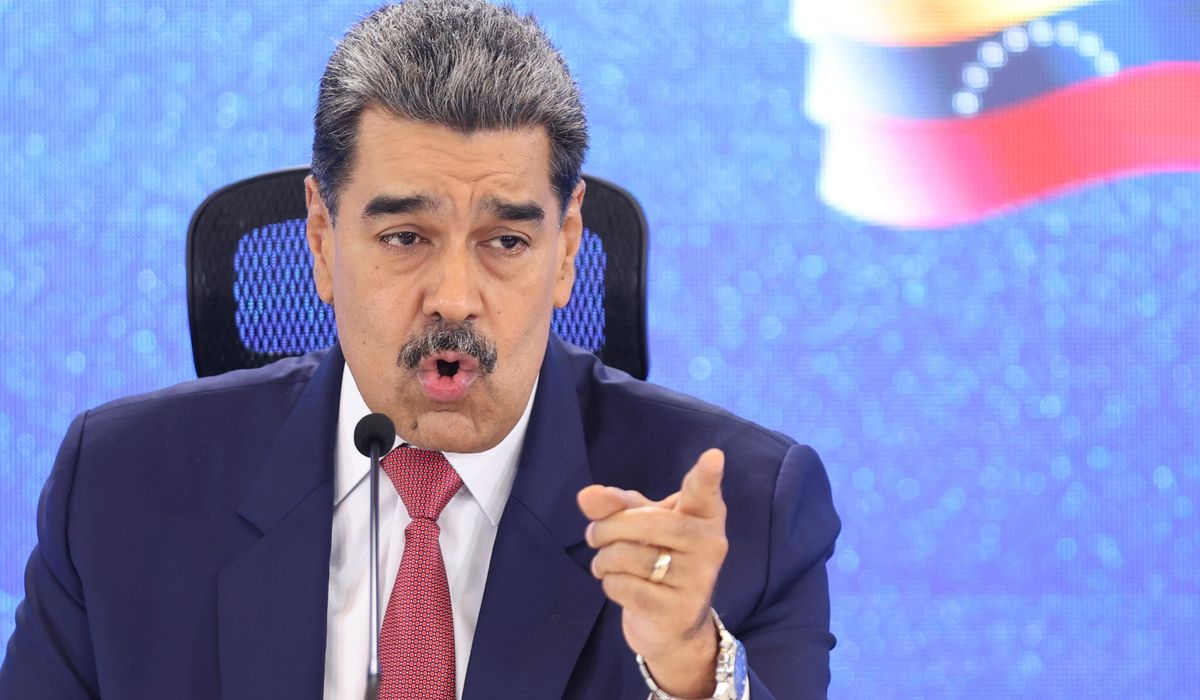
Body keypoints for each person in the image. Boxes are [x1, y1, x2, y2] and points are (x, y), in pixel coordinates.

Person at [0, 1, 840, 698]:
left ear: (567, 249)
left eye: (506, 242)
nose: (455, 297)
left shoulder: (744, 516)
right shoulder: (117, 488)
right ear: (321, 237)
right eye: (406, 236)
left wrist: (690, 665)